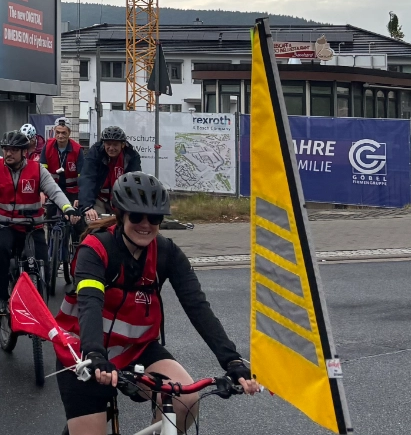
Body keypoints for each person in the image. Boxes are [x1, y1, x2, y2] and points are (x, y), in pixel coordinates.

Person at [56, 173, 260, 434]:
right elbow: (90, 303)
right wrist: (95, 354)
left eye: (154, 218)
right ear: (121, 215)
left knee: (186, 398)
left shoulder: (167, 253)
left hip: (136, 349)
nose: (146, 225)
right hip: (83, 350)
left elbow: (197, 306)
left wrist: (232, 361)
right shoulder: (94, 250)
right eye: (137, 216)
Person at [0, 130, 75, 313]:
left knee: (42, 262)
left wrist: (67, 208)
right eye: (6, 149)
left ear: (23, 152)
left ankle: (35, 301)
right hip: (1, 224)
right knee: (0, 250)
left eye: (13, 150)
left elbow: (55, 191)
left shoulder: (37, 170)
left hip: (31, 226)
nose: (8, 153)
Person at [77, 125, 142, 222]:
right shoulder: (95, 153)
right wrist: (87, 206)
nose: (111, 148)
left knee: (126, 225)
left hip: (120, 199)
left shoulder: (131, 156)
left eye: (115, 144)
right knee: (93, 222)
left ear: (123, 145)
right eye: (108, 144)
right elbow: (87, 178)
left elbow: (134, 182)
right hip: (99, 197)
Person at [43, 121, 82, 208]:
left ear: (69, 133)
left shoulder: (77, 150)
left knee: (74, 218)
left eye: (64, 133)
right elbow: (41, 172)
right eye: (58, 132)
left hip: (73, 192)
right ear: (54, 131)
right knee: (50, 217)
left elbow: (82, 176)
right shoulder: (47, 146)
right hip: (52, 189)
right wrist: (41, 192)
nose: (60, 136)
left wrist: (81, 196)